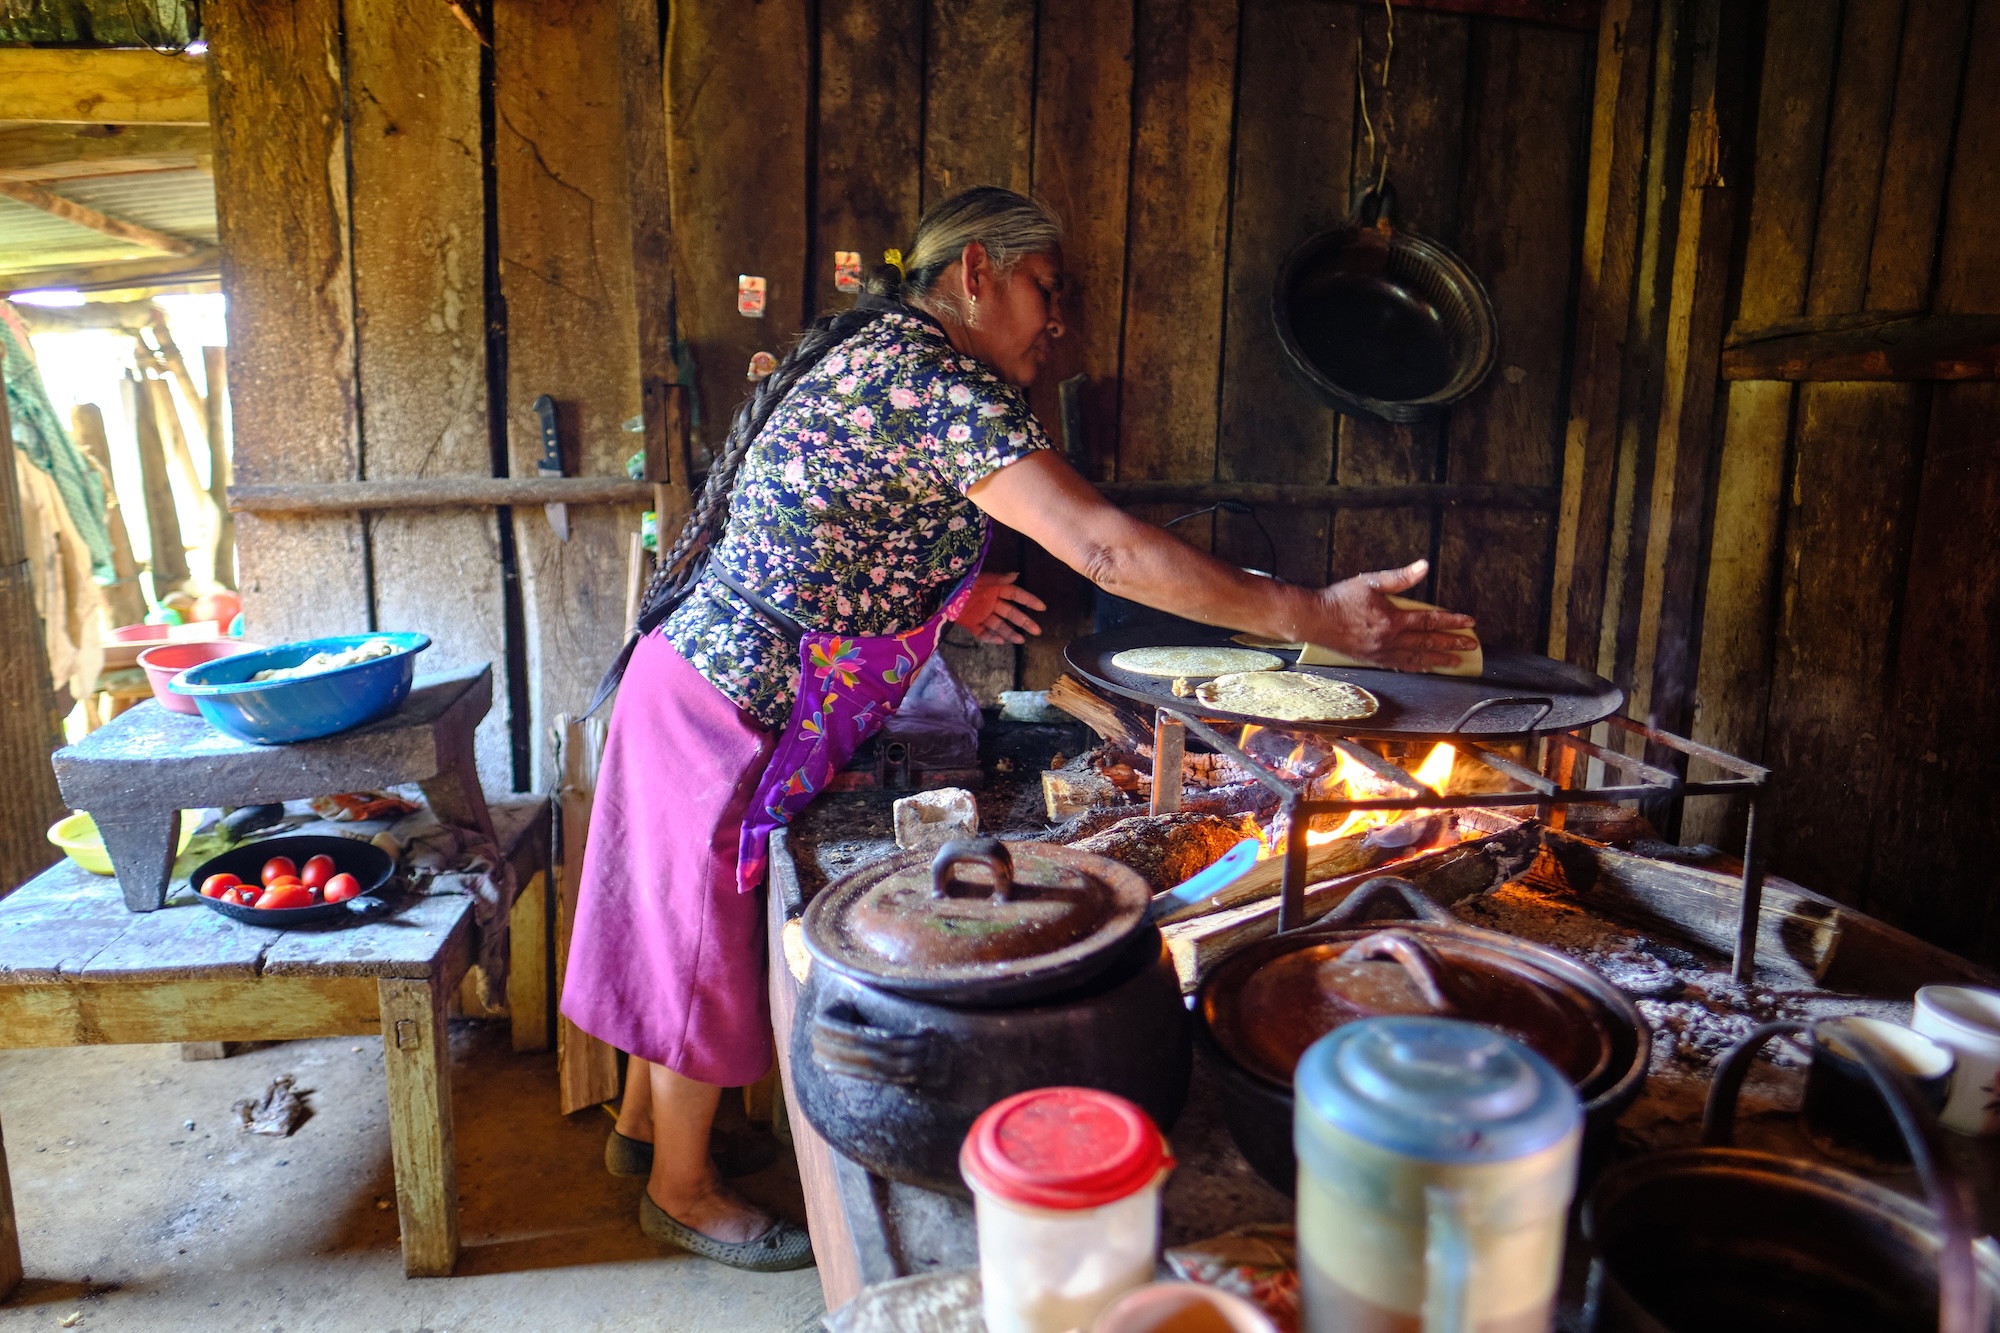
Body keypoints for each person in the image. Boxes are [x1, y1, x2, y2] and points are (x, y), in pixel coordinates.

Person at [561, 187, 1476, 1270]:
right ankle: (679, 1188)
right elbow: (1104, 547)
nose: (1057, 321)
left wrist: (947, 598)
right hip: (730, 698)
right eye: (1046, 289)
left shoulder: (879, 353)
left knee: (678, 918)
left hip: (701, 681)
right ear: (979, 272)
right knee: (699, 936)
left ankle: (637, 1134)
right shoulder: (937, 381)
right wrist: (1317, 617)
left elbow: (826, 513)